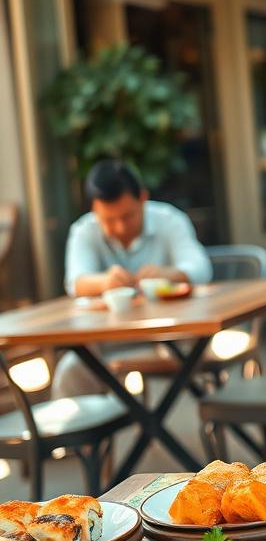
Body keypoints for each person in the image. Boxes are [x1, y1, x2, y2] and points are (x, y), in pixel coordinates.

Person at [53, 160, 212, 398]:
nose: (119, 227)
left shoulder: (168, 220)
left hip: (173, 334)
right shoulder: (85, 230)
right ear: (94, 209)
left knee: (194, 356)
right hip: (112, 339)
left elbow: (201, 268)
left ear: (143, 199)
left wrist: (169, 274)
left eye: (127, 216)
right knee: (71, 370)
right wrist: (105, 282)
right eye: (108, 219)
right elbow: (75, 282)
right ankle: (87, 434)